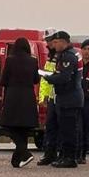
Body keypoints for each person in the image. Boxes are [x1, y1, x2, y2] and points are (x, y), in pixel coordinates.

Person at [42, 30, 83, 168]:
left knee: (69, 129)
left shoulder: (68, 57)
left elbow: (64, 77)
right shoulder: (69, 54)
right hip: (67, 97)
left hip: (69, 98)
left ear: (63, 42)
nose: (53, 45)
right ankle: (64, 156)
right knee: (64, 129)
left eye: (55, 42)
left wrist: (48, 77)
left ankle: (69, 158)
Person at [0, 37, 39, 168]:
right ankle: (17, 159)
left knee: (9, 126)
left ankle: (25, 153)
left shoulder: (10, 60)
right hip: (28, 96)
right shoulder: (33, 61)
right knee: (24, 128)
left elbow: (3, 80)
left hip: (13, 96)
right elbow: (36, 80)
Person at [37, 31, 59, 166]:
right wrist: (43, 97)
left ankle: (56, 154)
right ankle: (49, 154)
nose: (47, 43)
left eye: (49, 40)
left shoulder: (60, 56)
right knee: (50, 127)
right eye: (46, 40)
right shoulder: (50, 57)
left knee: (59, 128)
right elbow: (45, 79)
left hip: (60, 98)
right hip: (52, 98)